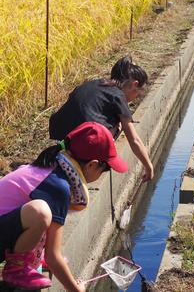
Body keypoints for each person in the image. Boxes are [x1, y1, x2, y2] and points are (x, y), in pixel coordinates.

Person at [0, 122, 128, 291]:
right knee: (41, 212)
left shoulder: (54, 166)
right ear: (92, 165)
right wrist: (76, 289)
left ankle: (31, 258)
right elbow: (54, 257)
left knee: (46, 215)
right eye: (104, 170)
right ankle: (16, 270)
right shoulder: (58, 186)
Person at [49, 56, 154, 182]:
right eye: (137, 94)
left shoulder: (96, 83)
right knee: (118, 126)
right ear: (134, 84)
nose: (134, 99)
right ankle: (93, 159)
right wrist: (148, 166)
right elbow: (134, 140)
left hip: (61, 130)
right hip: (81, 137)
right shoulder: (118, 96)